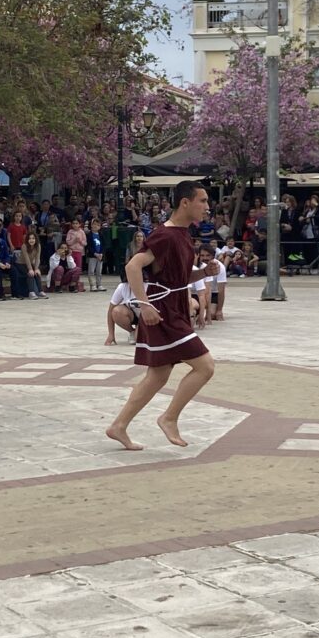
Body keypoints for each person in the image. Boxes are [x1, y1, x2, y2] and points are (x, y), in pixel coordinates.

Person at [106, 181, 218, 451]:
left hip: (175, 304)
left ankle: (118, 426)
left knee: (157, 375)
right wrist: (143, 305)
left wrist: (204, 273)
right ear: (185, 203)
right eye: (202, 201)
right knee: (205, 366)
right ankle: (169, 418)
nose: (207, 207)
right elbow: (133, 266)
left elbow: (178, 278)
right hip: (163, 310)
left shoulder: (182, 235)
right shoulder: (165, 235)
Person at [105, 279, 138, 346]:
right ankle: (132, 331)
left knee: (138, 339)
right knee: (116, 311)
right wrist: (111, 334)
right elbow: (110, 310)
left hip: (146, 316)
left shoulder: (148, 285)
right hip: (132, 314)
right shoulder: (122, 286)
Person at [198, 244, 227, 321]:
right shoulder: (195, 266)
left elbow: (221, 290)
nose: (205, 258)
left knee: (211, 314)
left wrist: (219, 310)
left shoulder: (220, 267)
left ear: (213, 256)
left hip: (214, 293)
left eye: (208, 255)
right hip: (198, 293)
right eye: (202, 255)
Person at [20, 232, 47, 299]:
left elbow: (37, 258)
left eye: (33, 238)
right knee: (30, 274)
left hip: (31, 263)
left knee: (37, 273)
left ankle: (40, 291)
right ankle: (31, 292)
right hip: (21, 264)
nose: (31, 240)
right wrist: (30, 269)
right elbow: (26, 259)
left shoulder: (38, 246)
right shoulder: (24, 246)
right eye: (29, 238)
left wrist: (36, 268)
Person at [86, 218, 105, 291]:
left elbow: (104, 245)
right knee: (91, 271)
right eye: (94, 224)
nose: (95, 226)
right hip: (92, 256)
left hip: (100, 256)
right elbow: (89, 246)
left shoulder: (101, 235)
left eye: (97, 225)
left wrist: (101, 253)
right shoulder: (89, 235)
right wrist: (95, 253)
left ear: (100, 227)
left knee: (99, 271)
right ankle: (92, 285)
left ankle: (99, 285)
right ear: (91, 225)